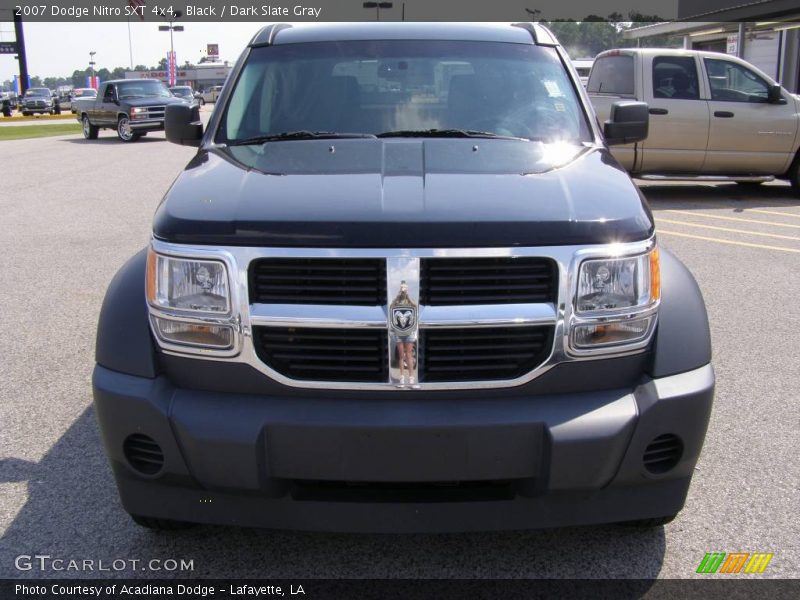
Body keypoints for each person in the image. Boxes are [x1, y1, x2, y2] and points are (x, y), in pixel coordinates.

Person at [390, 281, 417, 385]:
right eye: (402, 289)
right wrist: (398, 296)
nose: (403, 291)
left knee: (409, 355)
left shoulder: (410, 301)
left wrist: (408, 296)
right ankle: (401, 377)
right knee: (401, 355)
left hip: (409, 331)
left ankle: (411, 377)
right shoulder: (396, 302)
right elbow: (391, 307)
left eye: (404, 289)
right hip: (399, 331)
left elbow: (414, 307)